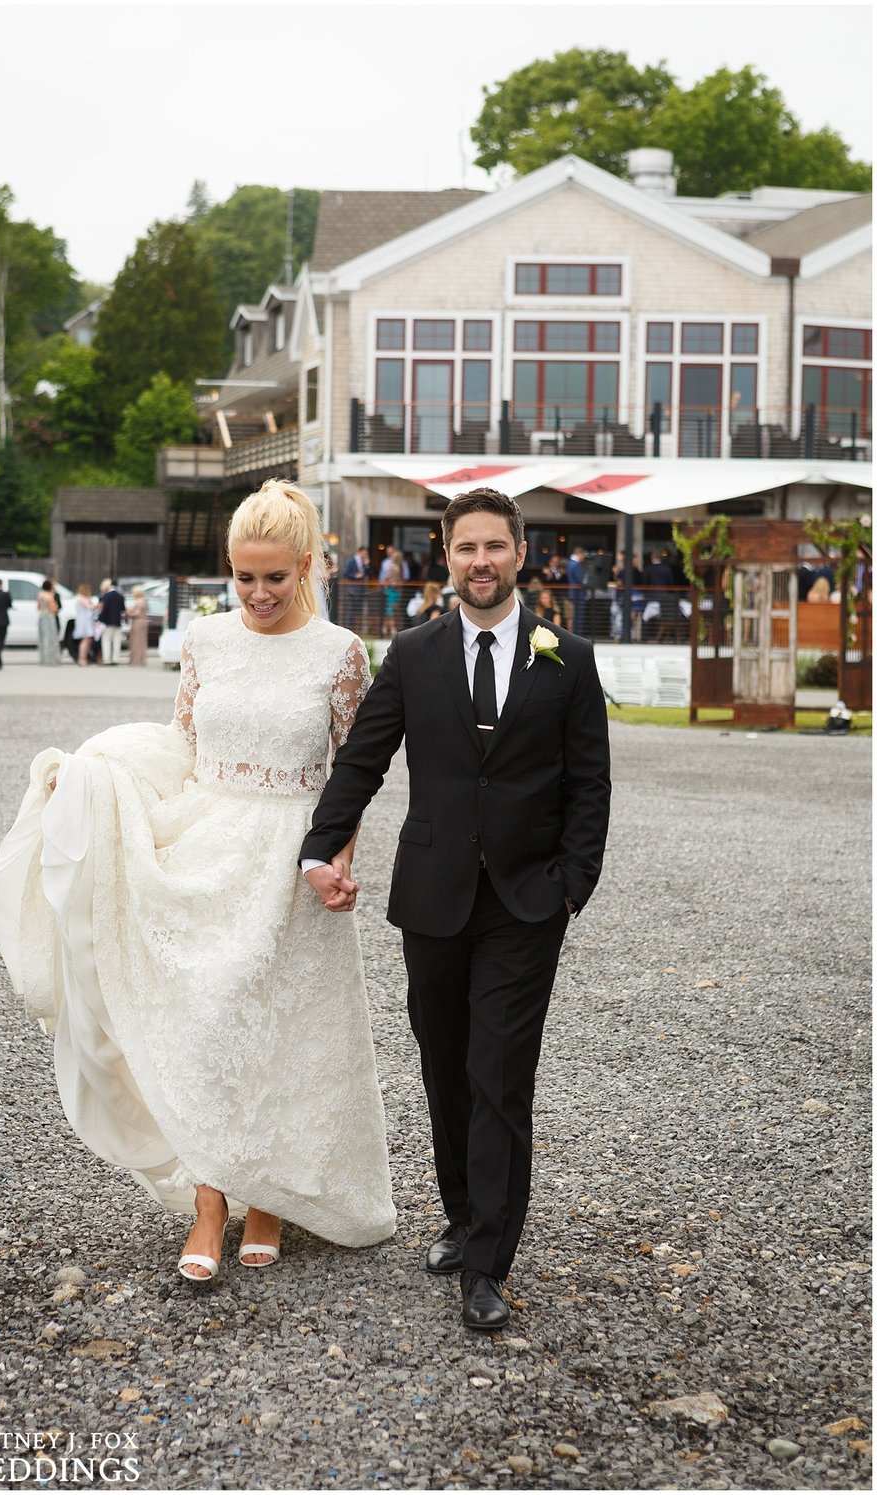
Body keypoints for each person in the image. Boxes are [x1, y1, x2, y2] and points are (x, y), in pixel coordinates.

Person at [0, 479, 395, 1289]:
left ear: (306, 565)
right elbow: (178, 742)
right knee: (208, 1026)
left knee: (286, 1028)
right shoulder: (205, 641)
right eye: (244, 576)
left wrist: (338, 859)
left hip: (292, 855)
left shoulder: (341, 653)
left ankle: (271, 1199)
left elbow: (353, 771)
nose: (259, 593)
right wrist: (97, 779)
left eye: (275, 576)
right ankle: (211, 1200)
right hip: (209, 845)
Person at [300, 487, 610, 1332]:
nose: (481, 562)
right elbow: (362, 761)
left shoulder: (567, 658)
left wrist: (570, 885)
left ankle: (487, 1263)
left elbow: (590, 784)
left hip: (526, 901)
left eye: (495, 547)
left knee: (499, 1075)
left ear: (520, 553)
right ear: (447, 557)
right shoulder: (413, 652)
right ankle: (464, 1212)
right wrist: (320, 847)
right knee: (444, 1066)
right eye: (465, 548)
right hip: (431, 897)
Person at [97, 578, 126, 665]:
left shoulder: (106, 596)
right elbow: (123, 609)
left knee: (106, 640)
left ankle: (107, 659)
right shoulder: (120, 596)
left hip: (108, 622)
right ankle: (116, 659)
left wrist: (100, 619)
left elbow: (104, 610)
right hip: (118, 621)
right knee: (117, 641)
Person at [342, 545, 370, 633]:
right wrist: (355, 576)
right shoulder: (351, 561)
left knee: (359, 610)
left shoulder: (364, 562)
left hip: (361, 589)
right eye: (365, 553)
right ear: (360, 552)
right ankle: (350, 629)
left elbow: (366, 574)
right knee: (352, 610)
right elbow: (345, 573)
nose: (365, 555)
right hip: (353, 589)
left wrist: (367, 566)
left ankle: (358, 629)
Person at [379, 545, 404, 638]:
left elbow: (386, 578)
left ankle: (388, 629)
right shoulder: (399, 568)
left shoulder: (392, 567)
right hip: (395, 591)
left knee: (390, 610)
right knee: (391, 609)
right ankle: (388, 628)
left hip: (390, 590)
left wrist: (386, 585)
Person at [36, 579, 61, 667]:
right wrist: (56, 609)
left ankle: (43, 659)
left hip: (42, 616)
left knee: (43, 638)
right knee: (51, 638)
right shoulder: (50, 596)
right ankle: (51, 659)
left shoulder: (40, 595)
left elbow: (38, 607)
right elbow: (53, 608)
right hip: (49, 617)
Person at [566, 545, 588, 634]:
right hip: (578, 593)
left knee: (575, 615)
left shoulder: (569, 563)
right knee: (578, 616)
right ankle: (578, 634)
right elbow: (580, 579)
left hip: (573, 592)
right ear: (579, 553)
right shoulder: (576, 565)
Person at [73, 584, 96, 667]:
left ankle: (84, 658)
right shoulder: (82, 599)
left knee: (88, 640)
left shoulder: (83, 599)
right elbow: (90, 607)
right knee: (85, 640)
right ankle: (82, 659)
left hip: (86, 621)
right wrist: (97, 605)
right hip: (84, 622)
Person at [125, 586, 149, 666]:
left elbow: (137, 613)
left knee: (136, 642)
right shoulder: (143, 600)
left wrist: (129, 613)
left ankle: (136, 660)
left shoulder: (139, 601)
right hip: (142, 622)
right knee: (141, 642)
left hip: (138, 622)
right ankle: (140, 660)